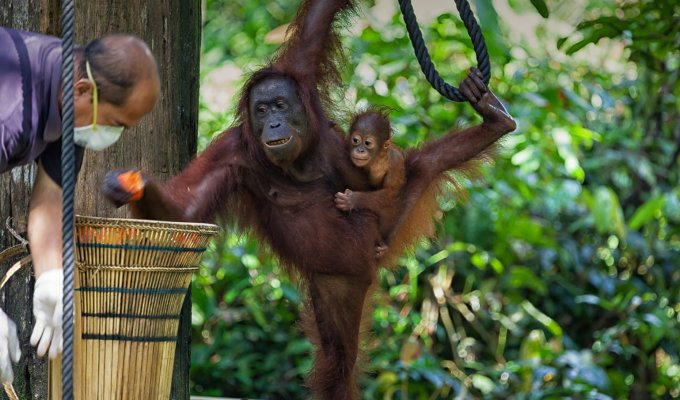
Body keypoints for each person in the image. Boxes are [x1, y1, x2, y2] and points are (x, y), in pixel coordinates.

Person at [0, 26, 160, 384]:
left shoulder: (71, 96)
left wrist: (52, 275)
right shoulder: (11, 115)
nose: (115, 135)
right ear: (83, 92)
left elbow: (51, 196)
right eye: (116, 123)